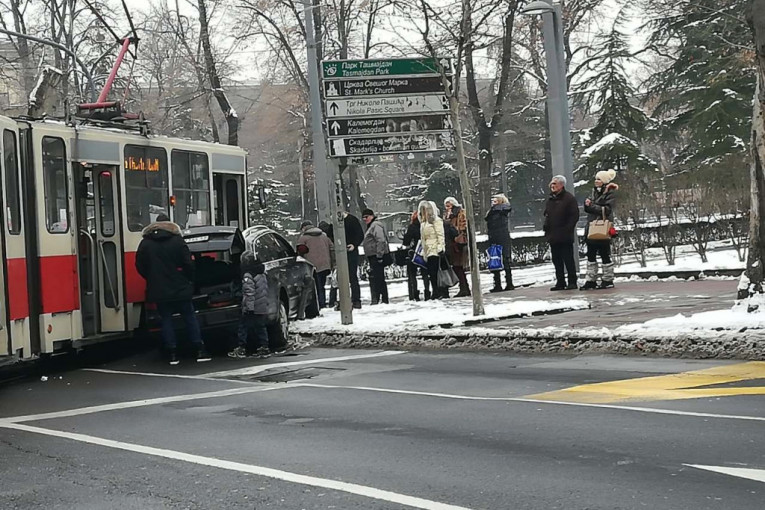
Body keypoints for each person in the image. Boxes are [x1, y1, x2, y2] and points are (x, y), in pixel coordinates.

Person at [135, 213, 210, 365]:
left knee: (166, 320)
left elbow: (140, 265)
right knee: (189, 318)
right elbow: (188, 264)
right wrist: (188, 280)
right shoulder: (177, 240)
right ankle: (199, 350)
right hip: (180, 287)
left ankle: (172, 353)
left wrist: (152, 278)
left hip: (159, 289)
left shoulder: (145, 243)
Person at [228, 251, 270, 358]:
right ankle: (264, 346)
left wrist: (248, 308)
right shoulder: (262, 273)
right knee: (260, 327)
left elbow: (249, 292)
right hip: (261, 305)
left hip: (252, 306)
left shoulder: (248, 275)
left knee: (243, 327)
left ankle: (241, 347)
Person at [581, 169, 618, 290]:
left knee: (604, 254)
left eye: (599, 179)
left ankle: (607, 279)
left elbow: (607, 210)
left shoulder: (610, 193)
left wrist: (591, 206)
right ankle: (591, 280)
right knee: (590, 255)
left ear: (604, 181)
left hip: (603, 229)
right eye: (596, 179)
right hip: (592, 228)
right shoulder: (593, 192)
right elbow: (589, 209)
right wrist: (587, 205)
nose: (596, 181)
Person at [543, 175, 580, 291]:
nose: (552, 186)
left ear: (561, 185)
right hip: (553, 235)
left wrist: (567, 229)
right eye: (551, 183)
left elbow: (574, 216)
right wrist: (546, 227)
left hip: (565, 235)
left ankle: (572, 282)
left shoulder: (569, 198)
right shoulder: (551, 199)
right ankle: (560, 282)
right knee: (556, 260)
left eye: (555, 184)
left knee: (568, 259)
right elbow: (547, 215)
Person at [324, 214, 364, 310]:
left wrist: (354, 244)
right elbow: (330, 235)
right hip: (340, 252)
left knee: (352, 276)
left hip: (351, 251)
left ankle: (355, 300)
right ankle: (339, 300)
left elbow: (360, 235)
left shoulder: (352, 220)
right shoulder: (335, 221)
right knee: (339, 277)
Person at [296, 220, 334, 308]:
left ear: (304, 228)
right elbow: (332, 248)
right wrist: (332, 263)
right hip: (325, 265)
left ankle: (319, 304)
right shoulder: (324, 236)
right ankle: (322, 302)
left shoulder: (303, 238)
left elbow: (300, 252)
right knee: (321, 285)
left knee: (316, 287)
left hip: (311, 266)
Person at [485, 194, 514, 293]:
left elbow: (498, 224)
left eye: (495, 201)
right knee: (495, 260)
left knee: (505, 260)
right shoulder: (492, 211)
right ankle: (498, 284)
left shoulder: (501, 211)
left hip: (502, 237)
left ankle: (508, 283)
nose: (493, 203)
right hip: (494, 237)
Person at [361, 208, 390, 305]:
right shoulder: (371, 226)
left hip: (376, 256)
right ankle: (380, 298)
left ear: (372, 216)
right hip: (374, 255)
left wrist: (379, 255)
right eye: (363, 218)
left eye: (366, 217)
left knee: (379, 278)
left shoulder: (375, 225)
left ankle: (382, 299)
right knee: (377, 277)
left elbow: (381, 240)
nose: (365, 219)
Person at [443, 197, 471, 297]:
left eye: (449, 205)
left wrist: (458, 234)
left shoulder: (460, 212)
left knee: (458, 266)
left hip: (458, 243)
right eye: (446, 206)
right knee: (456, 266)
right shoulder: (447, 215)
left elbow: (463, 226)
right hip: (451, 243)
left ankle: (464, 288)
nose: (447, 207)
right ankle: (464, 287)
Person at [419, 200, 446, 299]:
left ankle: (438, 291)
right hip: (427, 248)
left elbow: (440, 234)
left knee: (434, 271)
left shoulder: (436, 221)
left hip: (434, 248)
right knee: (430, 272)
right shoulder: (423, 223)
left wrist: (440, 247)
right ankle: (436, 290)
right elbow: (423, 238)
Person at [402, 211, 431, 301]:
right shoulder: (427, 225)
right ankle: (427, 292)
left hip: (414, 252)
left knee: (412, 274)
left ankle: (415, 294)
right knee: (425, 273)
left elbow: (406, 241)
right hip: (426, 251)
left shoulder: (412, 227)